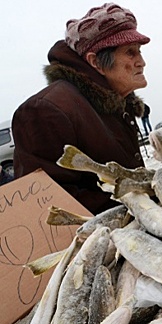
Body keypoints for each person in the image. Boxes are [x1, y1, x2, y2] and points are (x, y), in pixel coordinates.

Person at [12, 3, 150, 214]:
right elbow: (48, 204)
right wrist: (135, 209)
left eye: (139, 52)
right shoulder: (46, 111)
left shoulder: (116, 102)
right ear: (95, 62)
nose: (142, 62)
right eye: (130, 53)